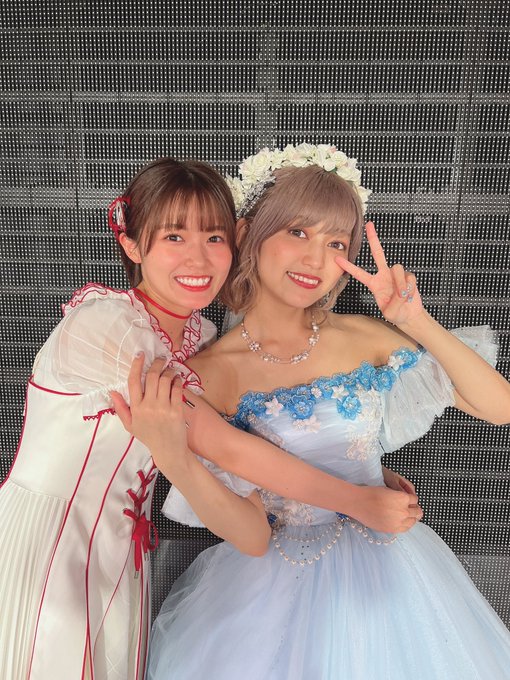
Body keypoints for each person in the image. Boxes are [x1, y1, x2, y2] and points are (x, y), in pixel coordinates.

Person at [0, 156, 419, 680]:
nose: (198, 257)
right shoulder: (108, 325)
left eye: (214, 237)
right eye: (174, 237)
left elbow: (250, 506)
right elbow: (228, 447)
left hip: (122, 550)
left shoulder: (200, 338)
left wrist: (355, 463)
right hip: (50, 541)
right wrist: (357, 499)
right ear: (132, 245)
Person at [136, 144, 510, 679]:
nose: (316, 260)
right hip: (274, 587)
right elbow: (246, 522)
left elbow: (499, 408)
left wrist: (416, 321)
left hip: (393, 575)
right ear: (247, 232)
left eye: (336, 242)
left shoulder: (362, 337)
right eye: (298, 232)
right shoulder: (208, 372)